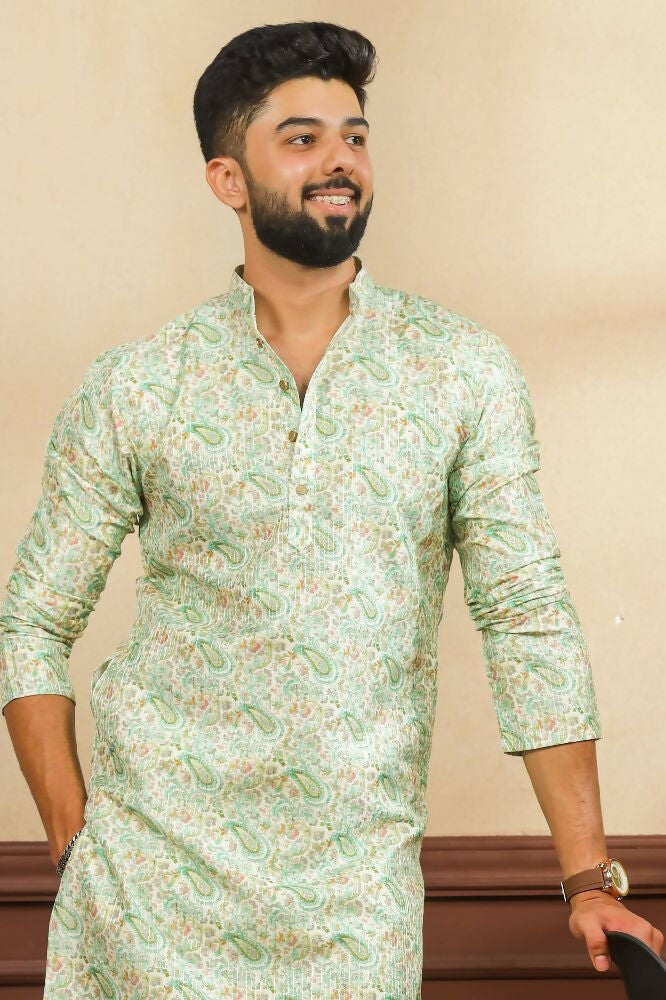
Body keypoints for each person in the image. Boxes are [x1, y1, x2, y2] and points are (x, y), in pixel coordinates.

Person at [0, 19, 662, 1000]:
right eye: (301, 138)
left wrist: (585, 875)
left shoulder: (459, 372)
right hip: (147, 901)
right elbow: (31, 618)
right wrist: (74, 839)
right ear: (228, 179)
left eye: (354, 136)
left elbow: (526, 615)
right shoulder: (139, 384)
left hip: (356, 907)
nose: (339, 160)